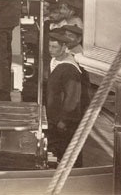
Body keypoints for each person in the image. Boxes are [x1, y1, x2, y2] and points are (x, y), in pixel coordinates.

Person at [46, 32, 83, 166]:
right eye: (49, 46)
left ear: (64, 47)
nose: (51, 50)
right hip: (55, 117)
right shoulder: (55, 61)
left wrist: (64, 119)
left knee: (67, 149)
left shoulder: (69, 70)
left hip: (64, 122)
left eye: (55, 47)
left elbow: (72, 98)